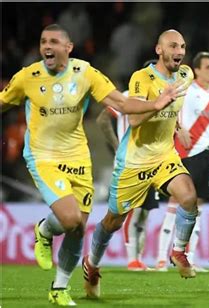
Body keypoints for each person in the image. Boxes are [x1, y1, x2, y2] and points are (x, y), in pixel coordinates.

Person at [0, 24, 183, 306]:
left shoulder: (85, 73)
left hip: (78, 156)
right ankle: (45, 230)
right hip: (43, 156)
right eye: (42, 42)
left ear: (68, 48)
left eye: (53, 42)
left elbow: (121, 103)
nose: (47, 47)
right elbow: (3, 101)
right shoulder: (28, 77)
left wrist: (156, 104)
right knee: (70, 218)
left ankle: (59, 288)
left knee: (78, 228)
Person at [81, 29, 196, 299]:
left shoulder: (185, 75)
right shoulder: (141, 78)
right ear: (159, 49)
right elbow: (133, 120)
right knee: (113, 221)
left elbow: (173, 106)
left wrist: (178, 126)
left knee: (189, 196)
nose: (179, 51)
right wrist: (158, 103)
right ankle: (92, 264)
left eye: (182, 46)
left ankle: (178, 251)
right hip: (135, 161)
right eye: (172, 46)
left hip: (165, 155)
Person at [155, 51, 209, 273]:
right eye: (208, 66)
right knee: (175, 205)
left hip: (205, 154)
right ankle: (160, 260)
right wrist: (178, 128)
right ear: (197, 70)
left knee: (197, 208)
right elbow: (169, 110)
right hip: (184, 153)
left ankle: (189, 258)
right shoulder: (185, 87)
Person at [96, 59, 160, 271]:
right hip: (131, 162)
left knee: (145, 211)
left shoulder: (162, 101)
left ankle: (138, 258)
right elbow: (102, 120)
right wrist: (116, 145)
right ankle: (132, 259)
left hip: (152, 162)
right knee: (133, 210)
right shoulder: (126, 98)